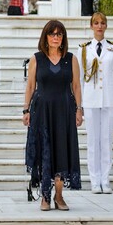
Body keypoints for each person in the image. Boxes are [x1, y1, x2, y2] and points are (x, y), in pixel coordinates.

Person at [23, 20, 82, 211]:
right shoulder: (36, 58)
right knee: (44, 152)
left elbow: (76, 86)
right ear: (46, 37)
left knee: (62, 151)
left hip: (64, 111)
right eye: (52, 34)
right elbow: (31, 86)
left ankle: (59, 196)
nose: (56, 37)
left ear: (63, 38)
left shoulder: (71, 59)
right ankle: (45, 197)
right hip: (41, 111)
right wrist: (26, 110)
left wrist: (79, 109)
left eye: (59, 34)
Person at [77, 13, 113, 194]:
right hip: (90, 99)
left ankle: (106, 179)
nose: (99, 26)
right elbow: (80, 78)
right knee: (92, 141)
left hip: (110, 98)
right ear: (91, 26)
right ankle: (94, 180)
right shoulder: (83, 49)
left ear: (106, 26)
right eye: (96, 23)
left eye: (102, 23)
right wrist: (78, 105)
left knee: (106, 140)